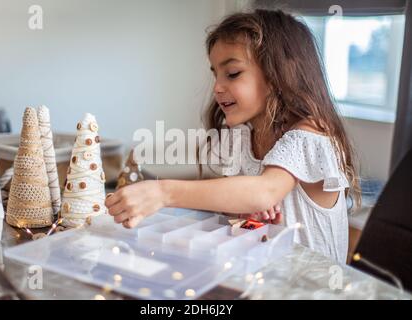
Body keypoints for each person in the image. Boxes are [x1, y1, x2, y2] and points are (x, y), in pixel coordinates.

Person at [105, 9, 360, 265]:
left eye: (233, 73)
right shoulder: (242, 136)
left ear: (281, 73)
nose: (217, 86)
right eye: (215, 73)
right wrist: (242, 212)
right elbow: (243, 202)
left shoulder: (311, 134)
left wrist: (163, 192)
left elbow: (265, 191)